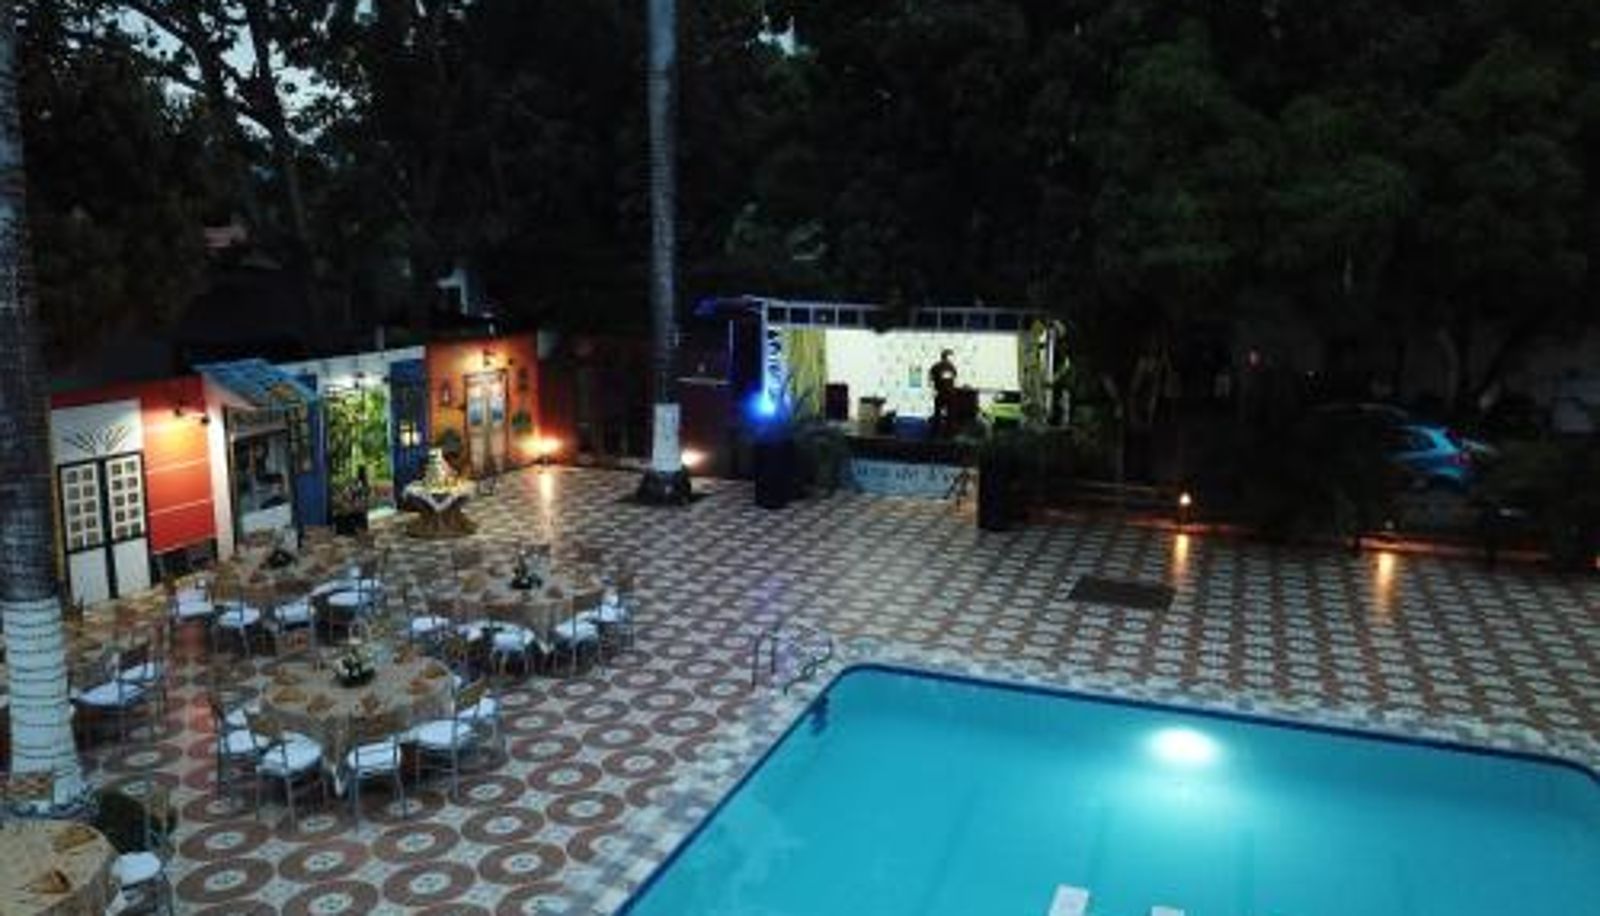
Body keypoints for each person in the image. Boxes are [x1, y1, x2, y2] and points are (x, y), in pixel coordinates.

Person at [929, 349, 958, 436]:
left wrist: (934, 388)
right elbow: (953, 377)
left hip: (941, 393)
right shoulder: (951, 367)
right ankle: (948, 434)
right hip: (949, 394)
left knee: (938, 414)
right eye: (951, 356)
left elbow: (931, 378)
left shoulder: (936, 366)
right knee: (950, 415)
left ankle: (936, 433)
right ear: (946, 357)